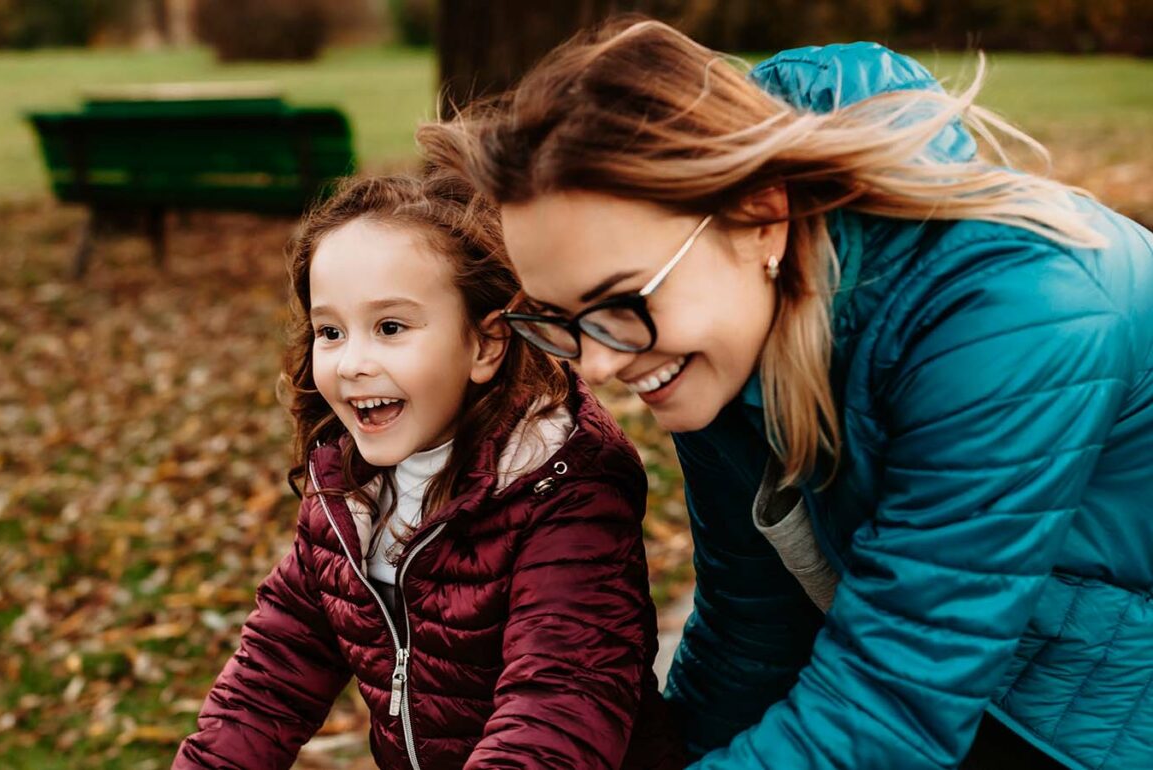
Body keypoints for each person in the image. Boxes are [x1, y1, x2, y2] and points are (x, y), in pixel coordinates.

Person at [419, 19, 1153, 770]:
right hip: (986, 672)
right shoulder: (715, 336)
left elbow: (890, 707)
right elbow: (753, 625)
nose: (600, 365)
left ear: (763, 219)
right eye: (563, 320)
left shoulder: (1010, 314)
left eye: (619, 303)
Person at [173, 171, 678, 769]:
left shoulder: (562, 490)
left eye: (390, 327)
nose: (354, 362)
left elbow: (559, 701)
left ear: (485, 345)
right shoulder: (349, 492)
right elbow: (272, 675)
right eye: (330, 331)